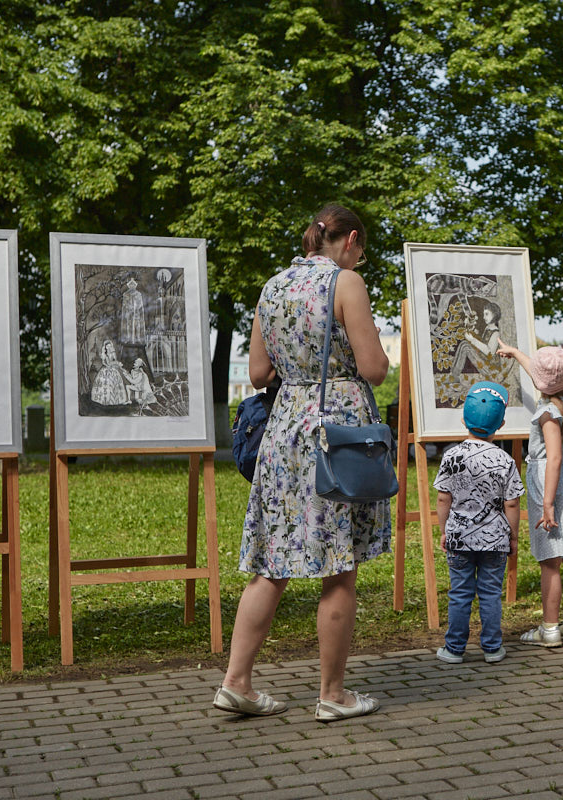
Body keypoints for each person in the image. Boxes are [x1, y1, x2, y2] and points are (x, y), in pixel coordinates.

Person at [214, 204, 390, 722]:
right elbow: (375, 369)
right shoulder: (346, 284)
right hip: (337, 433)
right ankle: (333, 695)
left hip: (284, 431)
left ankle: (236, 682)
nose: (359, 257)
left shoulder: (272, 286)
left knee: (272, 562)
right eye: (361, 249)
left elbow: (258, 371)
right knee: (340, 567)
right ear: (350, 239)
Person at [496, 341, 563, 647]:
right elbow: (544, 375)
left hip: (549, 482)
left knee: (551, 560)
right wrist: (514, 353)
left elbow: (554, 458)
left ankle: (549, 628)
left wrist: (547, 504)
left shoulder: (549, 412)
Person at [433, 381, 525, 665]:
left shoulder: (451, 456)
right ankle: (492, 648)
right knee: (489, 594)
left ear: (463, 419)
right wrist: (513, 537)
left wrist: (444, 530)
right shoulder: (506, 461)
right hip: (495, 541)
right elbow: (511, 503)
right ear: (502, 424)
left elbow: (442, 499)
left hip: (459, 538)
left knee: (460, 592)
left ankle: (454, 649)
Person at [90, 340, 129, 406]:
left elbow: (115, 360)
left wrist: (117, 364)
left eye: (110, 346)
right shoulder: (104, 354)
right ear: (105, 347)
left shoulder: (113, 353)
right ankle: (104, 401)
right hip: (106, 370)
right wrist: (113, 364)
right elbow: (105, 363)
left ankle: (117, 400)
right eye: (107, 346)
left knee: (116, 383)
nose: (109, 347)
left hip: (113, 369)